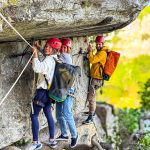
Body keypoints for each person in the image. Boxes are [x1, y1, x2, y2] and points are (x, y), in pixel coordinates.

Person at [28, 37, 62, 150]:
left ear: (52, 49)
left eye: (47, 46)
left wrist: (35, 54)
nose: (45, 47)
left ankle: (35, 143)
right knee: (48, 115)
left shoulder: (48, 60)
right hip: (50, 93)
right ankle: (52, 140)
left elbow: (38, 68)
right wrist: (38, 49)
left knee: (34, 115)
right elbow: (45, 67)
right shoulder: (56, 59)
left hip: (42, 92)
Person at [55, 38, 78, 148]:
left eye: (65, 47)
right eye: (62, 47)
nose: (63, 49)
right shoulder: (61, 55)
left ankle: (74, 135)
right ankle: (64, 134)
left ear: (69, 48)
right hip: (61, 89)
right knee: (59, 114)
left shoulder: (66, 57)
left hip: (68, 90)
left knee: (66, 113)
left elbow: (53, 56)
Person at [83, 35, 108, 124]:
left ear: (102, 43)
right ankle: (91, 112)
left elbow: (92, 60)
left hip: (97, 79)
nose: (97, 46)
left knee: (91, 98)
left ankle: (91, 117)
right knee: (92, 96)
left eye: (99, 44)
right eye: (97, 44)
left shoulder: (102, 53)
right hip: (96, 78)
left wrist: (90, 51)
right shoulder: (100, 51)